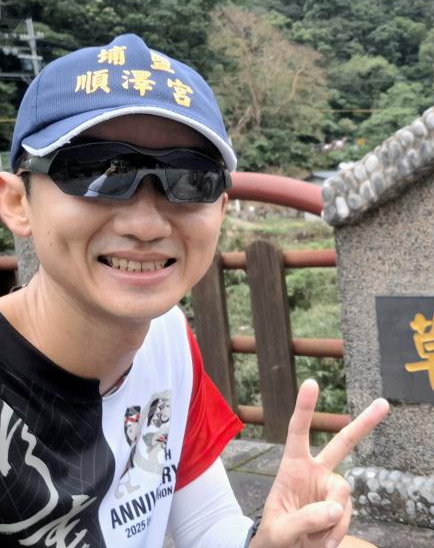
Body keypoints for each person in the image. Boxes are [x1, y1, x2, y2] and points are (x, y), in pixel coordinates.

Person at [0, 33, 390, 548]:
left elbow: (205, 524)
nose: (145, 224)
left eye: (190, 179)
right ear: (18, 202)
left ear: (220, 210)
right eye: (96, 171)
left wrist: (268, 542)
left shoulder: (165, 337)